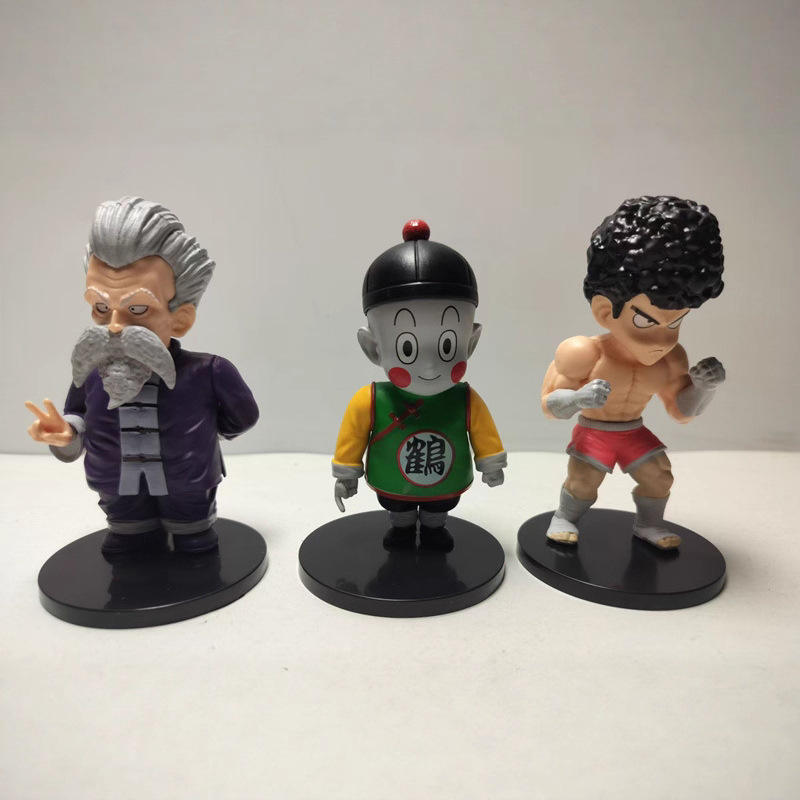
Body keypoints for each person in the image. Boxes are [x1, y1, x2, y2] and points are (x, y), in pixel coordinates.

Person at [26, 197, 258, 554]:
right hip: (116, 486)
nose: (114, 327)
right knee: (128, 539)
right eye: (101, 307)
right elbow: (78, 417)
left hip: (188, 484)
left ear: (180, 319)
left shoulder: (208, 372)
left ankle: (191, 537)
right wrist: (66, 434)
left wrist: (206, 436)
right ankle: (132, 536)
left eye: (137, 309)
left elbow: (243, 416)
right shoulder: (91, 373)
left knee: (194, 541)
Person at [541, 196, 725, 549]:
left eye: (676, 323)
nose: (663, 340)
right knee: (583, 482)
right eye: (645, 321)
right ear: (604, 310)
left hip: (633, 430)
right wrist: (579, 398)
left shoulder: (670, 359)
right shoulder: (584, 352)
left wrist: (704, 387)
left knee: (660, 476)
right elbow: (550, 406)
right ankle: (564, 517)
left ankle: (648, 525)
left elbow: (681, 411)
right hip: (594, 430)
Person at [332, 219, 506, 550]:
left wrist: (491, 462)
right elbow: (352, 438)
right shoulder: (370, 400)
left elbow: (483, 432)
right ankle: (401, 527)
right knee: (397, 506)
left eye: (447, 347)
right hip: (392, 479)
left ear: (471, 342)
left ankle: (434, 527)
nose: (429, 366)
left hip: (446, 480)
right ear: (372, 348)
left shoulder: (466, 399)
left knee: (439, 507)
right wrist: (347, 472)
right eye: (407, 349)